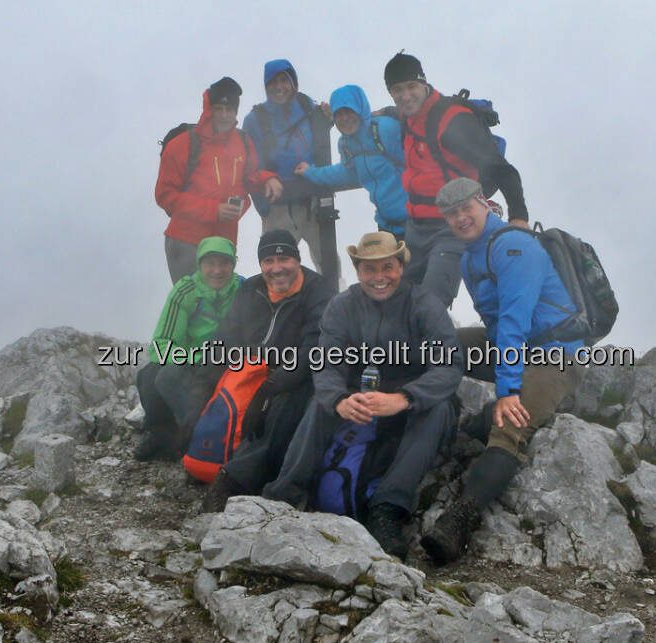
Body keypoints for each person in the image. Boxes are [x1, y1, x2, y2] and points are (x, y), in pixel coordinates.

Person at [261, 231, 461, 557]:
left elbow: (449, 365)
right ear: (358, 271)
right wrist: (339, 399)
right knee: (319, 404)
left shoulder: (425, 305)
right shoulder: (342, 306)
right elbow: (326, 361)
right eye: (369, 269)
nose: (379, 277)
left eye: (387, 267)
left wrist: (405, 398)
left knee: (438, 409)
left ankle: (387, 509)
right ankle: (284, 493)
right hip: (359, 395)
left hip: (408, 398)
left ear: (401, 266)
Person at [420, 178, 585, 565]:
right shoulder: (470, 254)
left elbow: (513, 323)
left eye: (466, 208)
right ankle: (431, 420)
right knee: (436, 344)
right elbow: (498, 329)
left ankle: (458, 520)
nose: (460, 218)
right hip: (514, 347)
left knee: (507, 425)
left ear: (484, 203)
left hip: (553, 355)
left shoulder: (513, 247)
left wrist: (507, 393)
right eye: (452, 213)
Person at [199, 229, 336, 512]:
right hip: (250, 368)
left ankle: (231, 480)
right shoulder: (251, 289)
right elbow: (227, 333)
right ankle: (197, 451)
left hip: (292, 374)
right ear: (261, 264)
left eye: (284, 258)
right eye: (268, 261)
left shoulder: (317, 290)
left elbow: (316, 347)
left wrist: (273, 385)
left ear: (296, 260)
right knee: (200, 380)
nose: (276, 268)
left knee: (283, 405)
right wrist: (209, 363)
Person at [383, 51, 530, 308]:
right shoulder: (406, 113)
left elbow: (503, 170)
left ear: (424, 83)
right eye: (397, 90)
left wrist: (519, 219)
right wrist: (375, 113)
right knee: (400, 300)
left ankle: (440, 347)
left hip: (451, 225)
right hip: (416, 226)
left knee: (431, 303)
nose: (405, 96)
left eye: (411, 86)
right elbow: (395, 110)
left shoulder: (452, 122)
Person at [156, 76, 283, 284]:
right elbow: (165, 195)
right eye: (218, 109)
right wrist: (214, 210)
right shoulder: (182, 145)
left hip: (223, 242)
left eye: (229, 110)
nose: (224, 115)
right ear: (209, 109)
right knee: (191, 306)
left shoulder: (242, 141)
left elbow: (250, 177)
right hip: (187, 241)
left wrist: (267, 179)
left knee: (220, 309)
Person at [133, 237, 243, 462]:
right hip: (192, 361)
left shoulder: (244, 289)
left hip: (229, 363)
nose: (217, 270)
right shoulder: (185, 291)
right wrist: (194, 361)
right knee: (150, 374)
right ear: (199, 264)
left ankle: (199, 436)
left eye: (224, 263)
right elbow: (162, 343)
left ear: (233, 264)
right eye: (209, 263)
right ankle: (160, 434)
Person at [242, 59, 334, 272]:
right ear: (266, 86)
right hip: (277, 207)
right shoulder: (255, 119)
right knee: (277, 267)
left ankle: (333, 302)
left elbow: (319, 140)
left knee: (329, 264)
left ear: (294, 82)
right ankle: (278, 305)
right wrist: (263, 208)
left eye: (284, 80)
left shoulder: (308, 107)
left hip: (313, 201)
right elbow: (248, 167)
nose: (279, 86)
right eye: (273, 82)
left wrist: (328, 120)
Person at [293, 84, 408, 239]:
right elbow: (346, 173)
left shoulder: (384, 129)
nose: (344, 118)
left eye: (349, 111)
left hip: (416, 222)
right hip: (387, 226)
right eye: (338, 114)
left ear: (360, 109)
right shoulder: (346, 144)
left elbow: (421, 155)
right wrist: (311, 172)